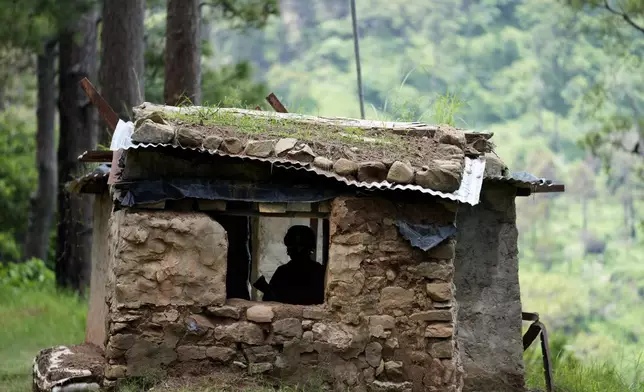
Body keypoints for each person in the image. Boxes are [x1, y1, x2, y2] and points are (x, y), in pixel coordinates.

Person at [256, 225, 325, 305]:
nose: (288, 252)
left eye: (291, 248)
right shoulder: (320, 271)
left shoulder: (283, 271)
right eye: (289, 248)